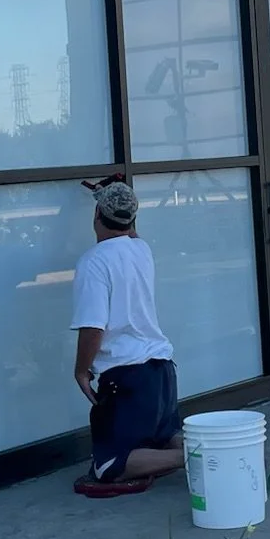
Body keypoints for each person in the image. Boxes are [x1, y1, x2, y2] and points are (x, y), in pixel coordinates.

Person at [70, 177, 183, 497]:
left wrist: (81, 370)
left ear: (96, 216)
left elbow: (93, 326)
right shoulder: (141, 249)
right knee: (163, 435)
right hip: (161, 370)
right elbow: (128, 231)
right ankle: (203, 449)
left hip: (128, 376)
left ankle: (196, 457)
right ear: (133, 219)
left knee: (108, 465)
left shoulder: (94, 262)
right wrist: (111, 197)